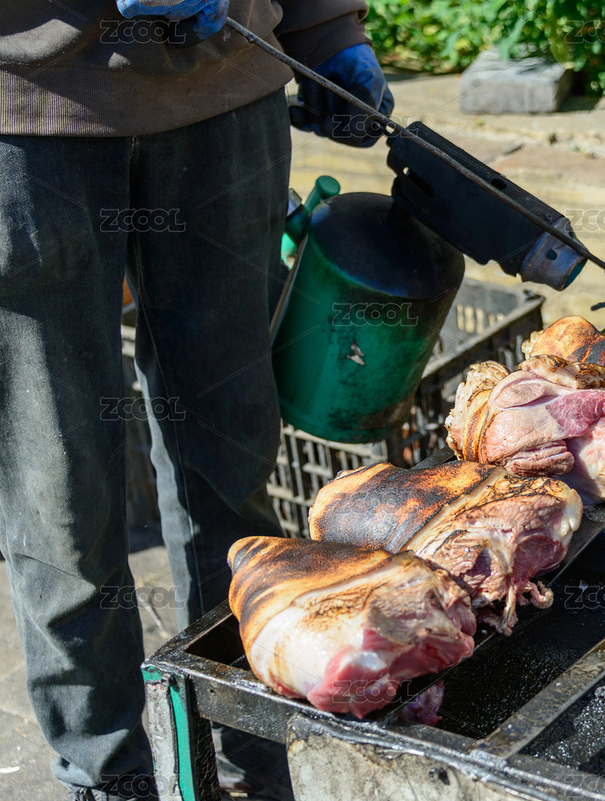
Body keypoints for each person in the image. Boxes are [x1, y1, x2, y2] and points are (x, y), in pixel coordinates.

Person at [0, 1, 394, 799]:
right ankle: (107, 776)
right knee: (61, 495)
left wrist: (325, 29)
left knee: (233, 469)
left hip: (224, 101)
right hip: (28, 117)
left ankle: (249, 757)